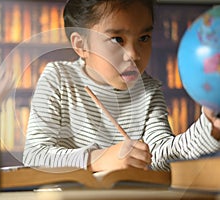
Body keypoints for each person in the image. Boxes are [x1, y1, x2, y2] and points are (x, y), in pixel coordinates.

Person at [23, 0, 220, 171]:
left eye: (144, 38)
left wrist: (210, 127)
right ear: (81, 46)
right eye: (117, 39)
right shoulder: (58, 78)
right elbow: (35, 156)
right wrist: (99, 159)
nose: (134, 54)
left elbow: (160, 157)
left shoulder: (148, 90)